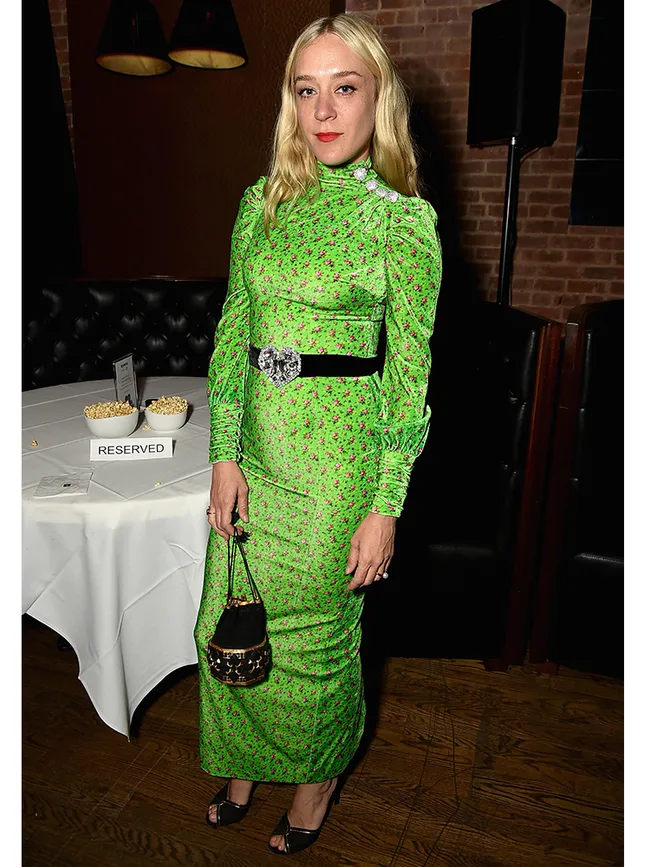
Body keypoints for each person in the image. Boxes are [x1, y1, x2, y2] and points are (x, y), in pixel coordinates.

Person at [195, 12, 442, 856]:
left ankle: (314, 778)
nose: (325, 110)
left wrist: (386, 505)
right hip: (255, 448)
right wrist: (223, 452)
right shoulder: (257, 204)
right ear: (290, 103)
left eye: (346, 88)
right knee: (226, 620)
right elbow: (232, 337)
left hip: (338, 462)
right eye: (308, 90)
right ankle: (238, 763)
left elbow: (409, 380)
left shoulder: (403, 222)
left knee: (316, 641)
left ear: (379, 99)